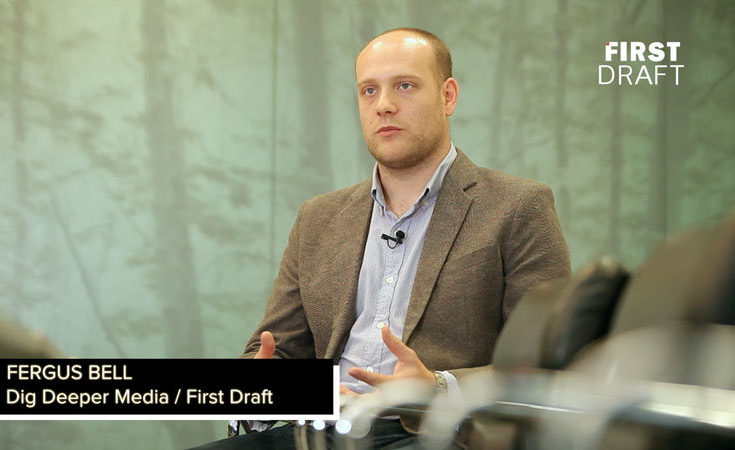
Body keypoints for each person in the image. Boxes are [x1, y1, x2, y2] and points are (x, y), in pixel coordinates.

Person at [193, 27, 570, 449]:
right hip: (322, 429)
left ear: (447, 96)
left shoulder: (518, 206)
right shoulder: (318, 218)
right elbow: (276, 350)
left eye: (405, 86)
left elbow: (548, 366)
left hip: (437, 434)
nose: (384, 105)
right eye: (368, 90)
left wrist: (438, 388)